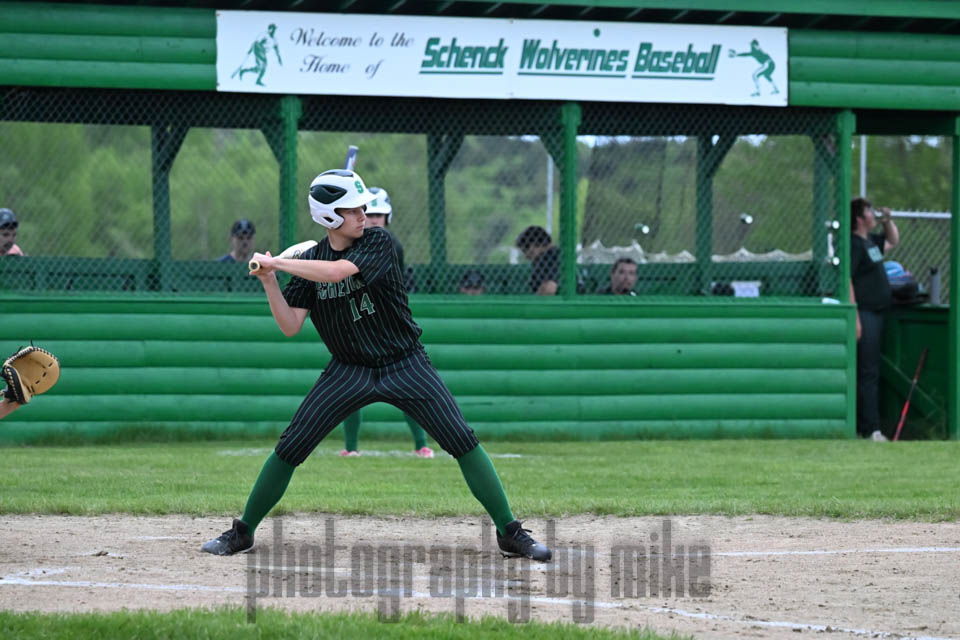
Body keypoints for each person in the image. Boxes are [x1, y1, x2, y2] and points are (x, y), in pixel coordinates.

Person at [201, 169, 551, 562]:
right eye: (352, 210)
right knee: (291, 446)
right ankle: (243, 531)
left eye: (362, 208)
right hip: (348, 369)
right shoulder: (308, 262)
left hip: (404, 362)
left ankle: (509, 532)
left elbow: (338, 271)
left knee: (461, 440)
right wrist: (269, 281)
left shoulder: (378, 242)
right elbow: (290, 325)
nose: (363, 215)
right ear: (329, 215)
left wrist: (280, 264)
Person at [337, 186, 434, 459]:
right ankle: (351, 448)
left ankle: (421, 444)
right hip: (359, 326)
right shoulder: (350, 245)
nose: (373, 220)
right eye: (369, 214)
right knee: (351, 386)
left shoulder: (389, 244)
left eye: (379, 215)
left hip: (388, 327)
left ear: (387, 218)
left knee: (407, 386)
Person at [849, 197, 899, 442]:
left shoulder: (870, 242)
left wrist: (887, 221)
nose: (873, 214)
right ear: (860, 218)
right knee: (867, 371)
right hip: (865, 313)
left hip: (879, 313)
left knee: (873, 370)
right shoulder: (853, 245)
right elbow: (847, 279)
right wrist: (855, 316)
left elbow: (892, 241)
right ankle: (870, 429)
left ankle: (869, 427)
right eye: (869, 211)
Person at [516, 225, 559, 295]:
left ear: (534, 245)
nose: (526, 256)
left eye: (525, 251)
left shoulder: (550, 257)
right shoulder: (547, 257)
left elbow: (550, 288)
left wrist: (535, 300)